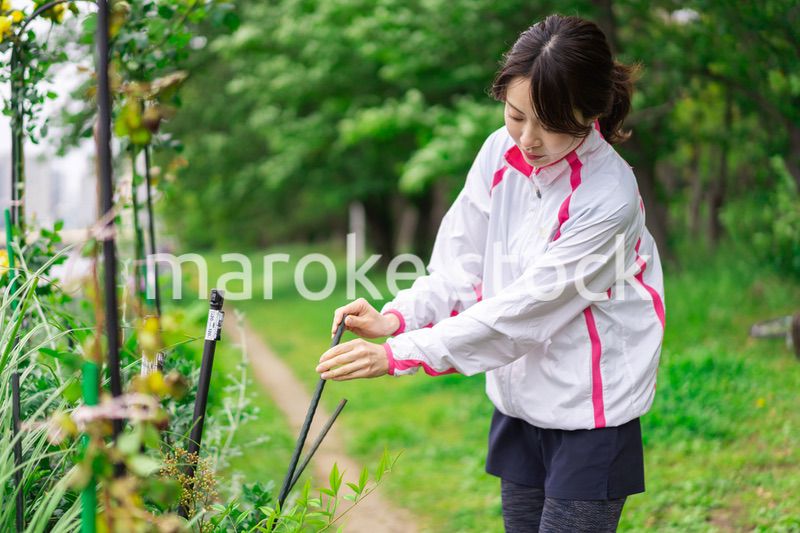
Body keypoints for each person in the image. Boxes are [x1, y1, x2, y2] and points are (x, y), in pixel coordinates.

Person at [316, 14, 664, 533]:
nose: (528, 138)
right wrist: (397, 318)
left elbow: (521, 311)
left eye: (551, 124)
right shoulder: (497, 153)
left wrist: (399, 355)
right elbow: (461, 267)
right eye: (516, 114)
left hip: (590, 412)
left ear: (590, 113)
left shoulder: (607, 197)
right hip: (519, 401)